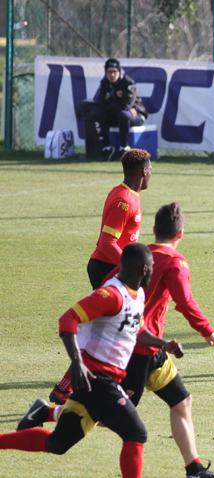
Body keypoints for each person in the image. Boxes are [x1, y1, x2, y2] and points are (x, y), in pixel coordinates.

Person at [29, 203, 214, 478]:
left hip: (154, 350)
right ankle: (47, 413)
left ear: (153, 230)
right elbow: (185, 301)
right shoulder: (175, 262)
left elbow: (105, 283)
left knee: (182, 401)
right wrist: (208, 332)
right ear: (181, 234)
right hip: (133, 355)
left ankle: (194, 469)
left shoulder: (139, 256)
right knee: (103, 417)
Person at [1, 244, 181, 478]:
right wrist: (76, 362)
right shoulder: (111, 295)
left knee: (57, 444)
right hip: (97, 379)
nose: (153, 271)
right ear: (144, 269)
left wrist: (162, 344)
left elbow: (137, 331)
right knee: (136, 433)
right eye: (152, 267)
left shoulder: (137, 296)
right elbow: (68, 320)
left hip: (104, 381)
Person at [50, 148, 152, 404]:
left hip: (114, 268)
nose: (151, 175)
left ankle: (66, 387)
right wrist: (128, 269)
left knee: (109, 328)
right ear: (143, 171)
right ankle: (72, 386)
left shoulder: (129, 194)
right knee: (110, 330)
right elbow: (107, 242)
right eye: (151, 170)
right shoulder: (123, 200)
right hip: (107, 269)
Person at [79, 58, 148, 161]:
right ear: (106, 72)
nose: (112, 74)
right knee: (99, 114)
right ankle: (107, 148)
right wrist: (113, 104)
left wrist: (110, 101)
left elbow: (125, 106)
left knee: (124, 114)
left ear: (119, 71)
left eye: (114, 71)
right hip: (118, 115)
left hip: (136, 115)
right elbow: (101, 104)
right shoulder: (105, 83)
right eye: (109, 72)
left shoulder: (127, 83)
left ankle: (124, 148)